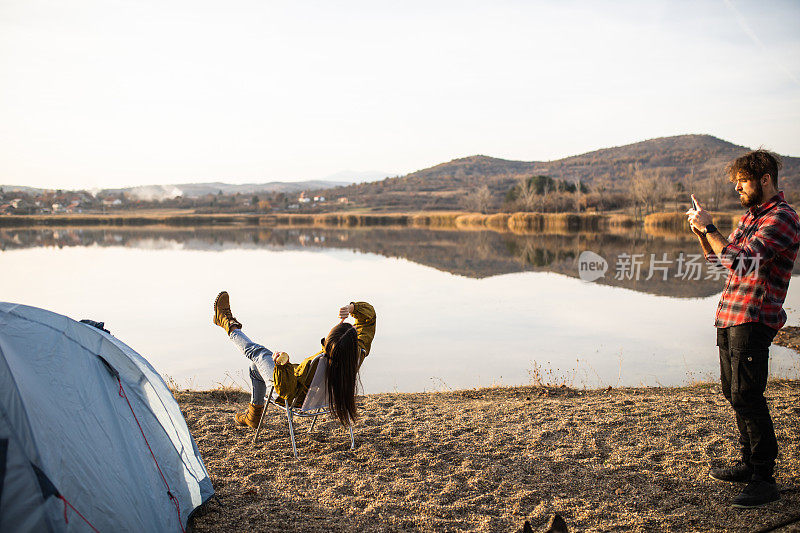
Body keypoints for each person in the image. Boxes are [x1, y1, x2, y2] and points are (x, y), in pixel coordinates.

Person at [687, 149, 799, 508]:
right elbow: (724, 260)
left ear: (765, 179)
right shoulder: (749, 217)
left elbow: (743, 260)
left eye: (743, 182)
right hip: (731, 314)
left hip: (755, 316)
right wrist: (701, 233)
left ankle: (764, 479)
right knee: (733, 392)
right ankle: (749, 463)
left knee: (748, 395)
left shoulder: (783, 218)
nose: (737, 188)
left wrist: (710, 226)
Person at [212, 291, 376, 429]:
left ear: (329, 341)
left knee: (258, 353)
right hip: (320, 399)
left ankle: (227, 322)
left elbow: (286, 392)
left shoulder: (318, 363)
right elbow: (370, 318)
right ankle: (253, 416)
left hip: (293, 397)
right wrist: (352, 308)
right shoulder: (356, 353)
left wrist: (282, 367)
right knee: (255, 368)